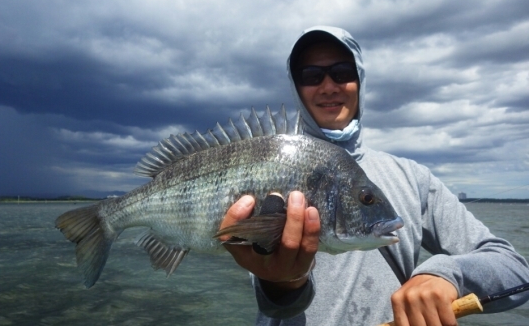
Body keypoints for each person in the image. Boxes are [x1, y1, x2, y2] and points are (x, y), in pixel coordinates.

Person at [219, 26, 529, 325]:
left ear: (360, 80)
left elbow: (515, 270)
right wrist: (284, 282)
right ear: (296, 88)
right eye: (311, 76)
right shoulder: (271, 165)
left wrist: (446, 275)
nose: (328, 86)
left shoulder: (413, 178)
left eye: (342, 72)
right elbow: (279, 304)